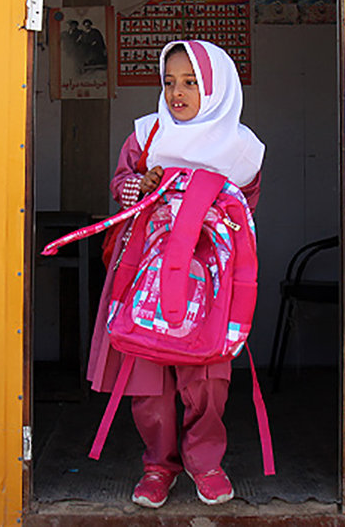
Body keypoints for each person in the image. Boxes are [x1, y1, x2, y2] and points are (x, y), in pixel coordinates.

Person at [86, 39, 264, 509]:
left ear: (218, 88)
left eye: (191, 83)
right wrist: (137, 187)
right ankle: (157, 466)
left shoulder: (243, 149)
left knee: (206, 376)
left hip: (209, 283)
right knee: (147, 374)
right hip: (146, 275)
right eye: (169, 82)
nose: (177, 93)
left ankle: (206, 463)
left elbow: (245, 213)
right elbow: (121, 185)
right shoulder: (146, 135)